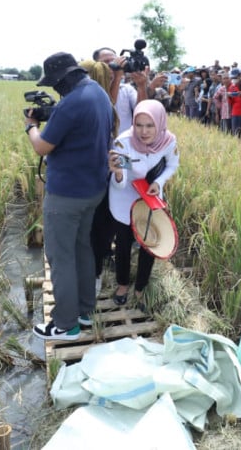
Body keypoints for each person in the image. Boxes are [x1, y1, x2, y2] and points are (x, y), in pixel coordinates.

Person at [25, 52, 113, 341]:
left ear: (64, 78)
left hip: (66, 194)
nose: (54, 89)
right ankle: (86, 312)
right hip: (93, 189)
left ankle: (64, 324)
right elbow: (80, 125)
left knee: (60, 257)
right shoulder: (97, 93)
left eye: (54, 84)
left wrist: (31, 127)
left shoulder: (72, 102)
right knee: (81, 249)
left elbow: (42, 147)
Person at [106, 100, 180, 308]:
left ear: (160, 123)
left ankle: (140, 287)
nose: (144, 132)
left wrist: (158, 182)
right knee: (123, 242)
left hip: (150, 196)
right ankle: (122, 284)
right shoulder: (123, 143)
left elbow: (173, 165)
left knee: (149, 243)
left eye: (150, 125)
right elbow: (120, 183)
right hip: (124, 198)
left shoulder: (168, 141)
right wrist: (119, 174)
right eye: (139, 125)